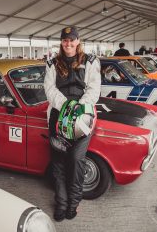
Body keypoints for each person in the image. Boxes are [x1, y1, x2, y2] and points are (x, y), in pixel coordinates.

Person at [44, 26, 101, 222]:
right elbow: (49, 88)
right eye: (65, 40)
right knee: (58, 162)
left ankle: (73, 203)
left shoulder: (90, 61)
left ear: (78, 41)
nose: (68, 43)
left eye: (72, 40)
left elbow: (94, 88)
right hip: (58, 117)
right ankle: (61, 203)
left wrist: (78, 107)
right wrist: (65, 105)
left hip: (82, 118)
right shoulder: (52, 63)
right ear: (61, 42)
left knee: (76, 160)